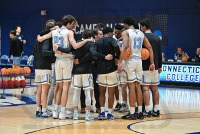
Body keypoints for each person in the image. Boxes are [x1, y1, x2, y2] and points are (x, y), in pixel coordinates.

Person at [37, 15, 93, 120]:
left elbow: (40, 38)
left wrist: (51, 29)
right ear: (69, 23)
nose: (73, 27)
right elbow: (75, 46)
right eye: (72, 25)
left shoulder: (54, 32)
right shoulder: (69, 32)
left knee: (58, 87)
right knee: (65, 88)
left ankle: (55, 112)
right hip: (67, 60)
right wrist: (86, 41)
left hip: (57, 60)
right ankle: (62, 112)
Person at [118, 16, 155, 120]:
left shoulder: (125, 32)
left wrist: (120, 62)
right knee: (138, 86)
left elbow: (125, 47)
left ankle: (132, 112)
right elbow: (150, 47)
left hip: (130, 61)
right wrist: (152, 62)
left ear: (125, 24)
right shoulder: (140, 33)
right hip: (139, 61)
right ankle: (140, 112)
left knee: (131, 87)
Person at [55, 29, 94, 120]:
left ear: (82, 36)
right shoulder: (90, 43)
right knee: (87, 92)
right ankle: (88, 114)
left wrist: (58, 48)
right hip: (87, 70)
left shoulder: (76, 43)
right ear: (89, 37)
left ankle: (75, 113)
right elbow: (90, 55)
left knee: (76, 92)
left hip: (76, 71)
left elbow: (68, 50)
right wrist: (81, 61)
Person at [90, 27, 120, 120]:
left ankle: (102, 112)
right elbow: (116, 47)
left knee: (101, 93)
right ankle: (110, 114)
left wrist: (103, 57)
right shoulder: (112, 40)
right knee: (111, 93)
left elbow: (93, 52)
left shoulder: (97, 42)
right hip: (111, 70)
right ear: (110, 33)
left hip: (101, 70)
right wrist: (117, 57)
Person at [32, 20, 57, 118]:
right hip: (45, 66)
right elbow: (45, 51)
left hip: (37, 66)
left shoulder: (38, 38)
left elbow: (34, 52)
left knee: (39, 89)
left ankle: (38, 110)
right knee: (45, 90)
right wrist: (55, 52)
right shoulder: (48, 38)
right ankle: (44, 110)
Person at [140, 18, 162, 117]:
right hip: (156, 67)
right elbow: (159, 53)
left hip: (145, 67)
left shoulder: (142, 37)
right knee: (155, 89)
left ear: (144, 27)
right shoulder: (157, 38)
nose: (140, 29)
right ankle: (156, 109)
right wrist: (160, 66)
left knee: (145, 88)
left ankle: (148, 110)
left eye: (141, 27)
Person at [80, 28, 104, 114]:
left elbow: (97, 57)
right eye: (100, 34)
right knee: (84, 88)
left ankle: (98, 106)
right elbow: (91, 56)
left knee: (96, 88)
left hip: (95, 68)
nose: (102, 36)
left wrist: (93, 59)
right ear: (94, 36)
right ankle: (84, 106)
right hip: (86, 67)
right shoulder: (85, 44)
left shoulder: (99, 44)